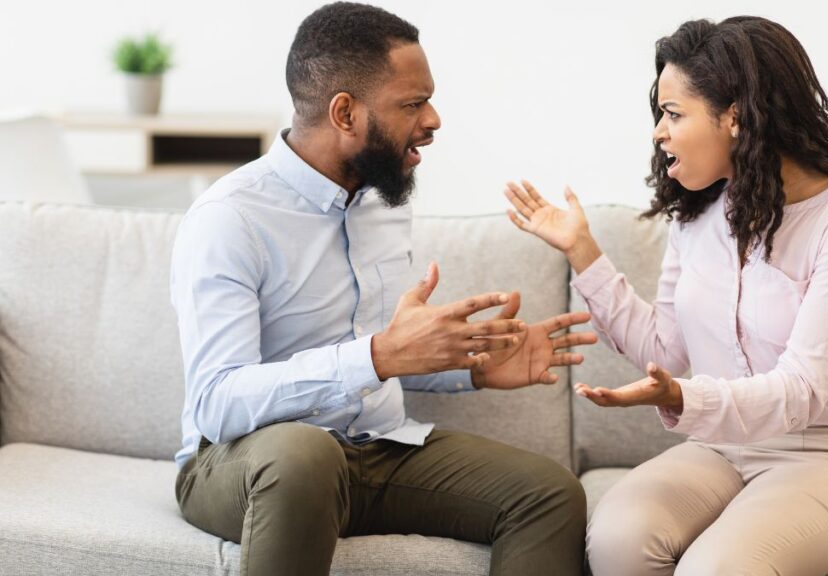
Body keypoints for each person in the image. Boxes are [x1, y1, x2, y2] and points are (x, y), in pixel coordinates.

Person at [170, 3, 594, 575]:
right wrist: (376, 357)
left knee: (549, 493)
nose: (434, 119)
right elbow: (218, 404)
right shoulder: (230, 218)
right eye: (413, 103)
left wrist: (472, 363)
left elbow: (387, 352)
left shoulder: (381, 204)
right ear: (345, 112)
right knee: (304, 452)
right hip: (244, 463)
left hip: (377, 448)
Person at [505, 16, 828, 576]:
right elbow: (665, 350)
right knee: (618, 541)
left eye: (673, 114)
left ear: (736, 118)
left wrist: (684, 399)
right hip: (717, 450)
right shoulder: (700, 215)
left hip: (819, 456)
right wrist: (582, 251)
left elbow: (800, 391)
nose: (658, 132)